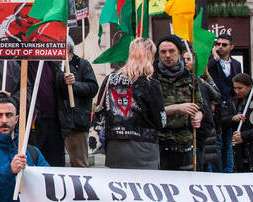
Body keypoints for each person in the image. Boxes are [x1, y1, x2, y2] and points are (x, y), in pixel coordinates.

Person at [98, 38, 166, 169]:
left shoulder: (110, 80)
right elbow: (160, 121)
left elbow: (100, 111)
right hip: (144, 147)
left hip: (115, 146)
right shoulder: (150, 84)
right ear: (150, 56)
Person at [153, 35, 210, 171]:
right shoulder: (152, 78)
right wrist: (177, 108)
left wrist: (199, 116)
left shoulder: (191, 78)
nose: (167, 55)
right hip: (159, 144)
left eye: (171, 51)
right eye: (163, 52)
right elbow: (150, 111)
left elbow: (200, 105)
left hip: (186, 144)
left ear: (179, 52)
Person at [207, 32, 243, 172]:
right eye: (218, 44)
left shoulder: (236, 64)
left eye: (224, 45)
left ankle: (229, 170)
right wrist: (215, 58)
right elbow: (205, 71)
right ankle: (218, 171)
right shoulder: (211, 61)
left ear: (231, 47)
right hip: (215, 108)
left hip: (230, 108)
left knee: (229, 142)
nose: (220, 47)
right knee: (217, 142)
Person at [63, 42, 99, 166]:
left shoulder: (83, 65)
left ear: (68, 49)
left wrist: (75, 85)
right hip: (58, 121)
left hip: (76, 123)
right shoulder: (54, 65)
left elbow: (93, 88)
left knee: (79, 163)